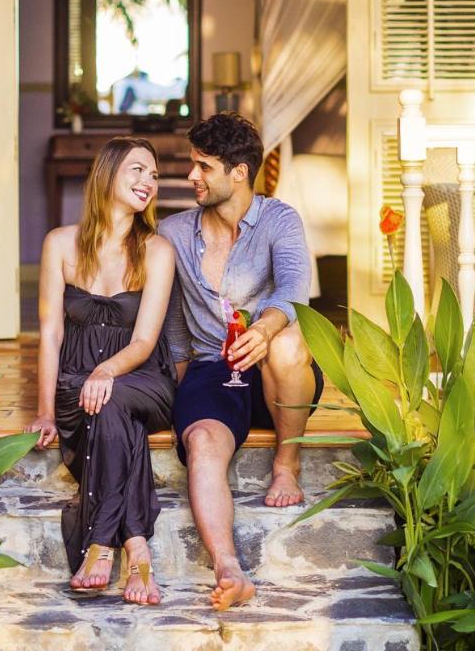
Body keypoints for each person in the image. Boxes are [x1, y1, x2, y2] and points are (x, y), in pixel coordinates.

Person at [158, 113, 324, 611]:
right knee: (204, 440)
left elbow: (296, 291)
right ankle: (229, 568)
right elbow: (171, 326)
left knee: (289, 342)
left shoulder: (279, 219)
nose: (192, 177)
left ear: (239, 172)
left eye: (203, 167)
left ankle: (286, 464)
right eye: (193, 165)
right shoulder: (172, 233)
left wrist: (264, 328)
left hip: (274, 368)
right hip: (213, 367)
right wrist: (179, 397)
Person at [27, 137, 178, 605]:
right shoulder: (60, 243)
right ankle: (136, 547)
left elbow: (145, 341)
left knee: (112, 400)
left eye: (153, 175)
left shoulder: (157, 251)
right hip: (77, 381)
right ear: (107, 174)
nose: (147, 182)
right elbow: (51, 333)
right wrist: (46, 411)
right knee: (112, 417)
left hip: (143, 378)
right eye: (137, 170)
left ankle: (98, 544)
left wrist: (106, 372)